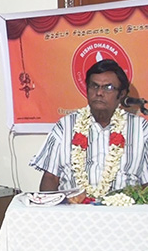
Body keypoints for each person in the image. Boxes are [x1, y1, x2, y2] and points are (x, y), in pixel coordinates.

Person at [30, 59, 148, 203]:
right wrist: (49, 211)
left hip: (123, 216)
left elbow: (145, 185)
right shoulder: (66, 125)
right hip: (73, 215)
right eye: (94, 86)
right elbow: (50, 177)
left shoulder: (141, 130)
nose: (99, 92)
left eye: (108, 87)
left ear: (122, 94)